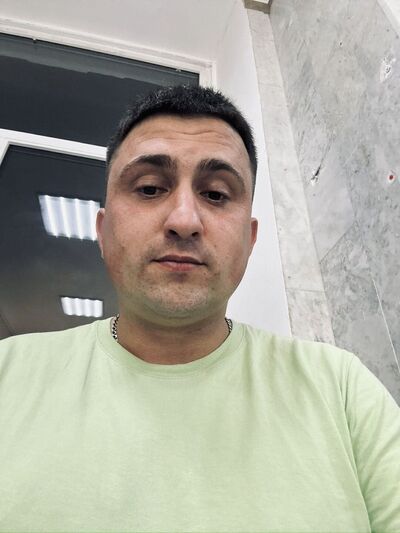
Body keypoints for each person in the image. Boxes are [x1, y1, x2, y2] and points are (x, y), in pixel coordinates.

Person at [0, 85, 399, 533]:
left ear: (249, 241)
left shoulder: (341, 390)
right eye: (150, 188)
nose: (184, 220)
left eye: (216, 194)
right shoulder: (8, 374)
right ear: (103, 231)